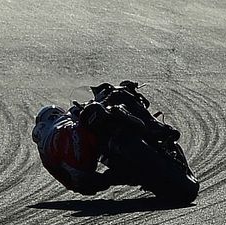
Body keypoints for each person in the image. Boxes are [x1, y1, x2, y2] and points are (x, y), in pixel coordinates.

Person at [31, 81, 179, 195]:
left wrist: (80, 184)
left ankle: (138, 175)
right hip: (87, 162)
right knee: (116, 96)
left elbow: (70, 183)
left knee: (113, 176)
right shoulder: (66, 117)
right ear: (55, 113)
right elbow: (94, 103)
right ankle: (155, 127)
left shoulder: (45, 153)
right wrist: (117, 90)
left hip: (85, 177)